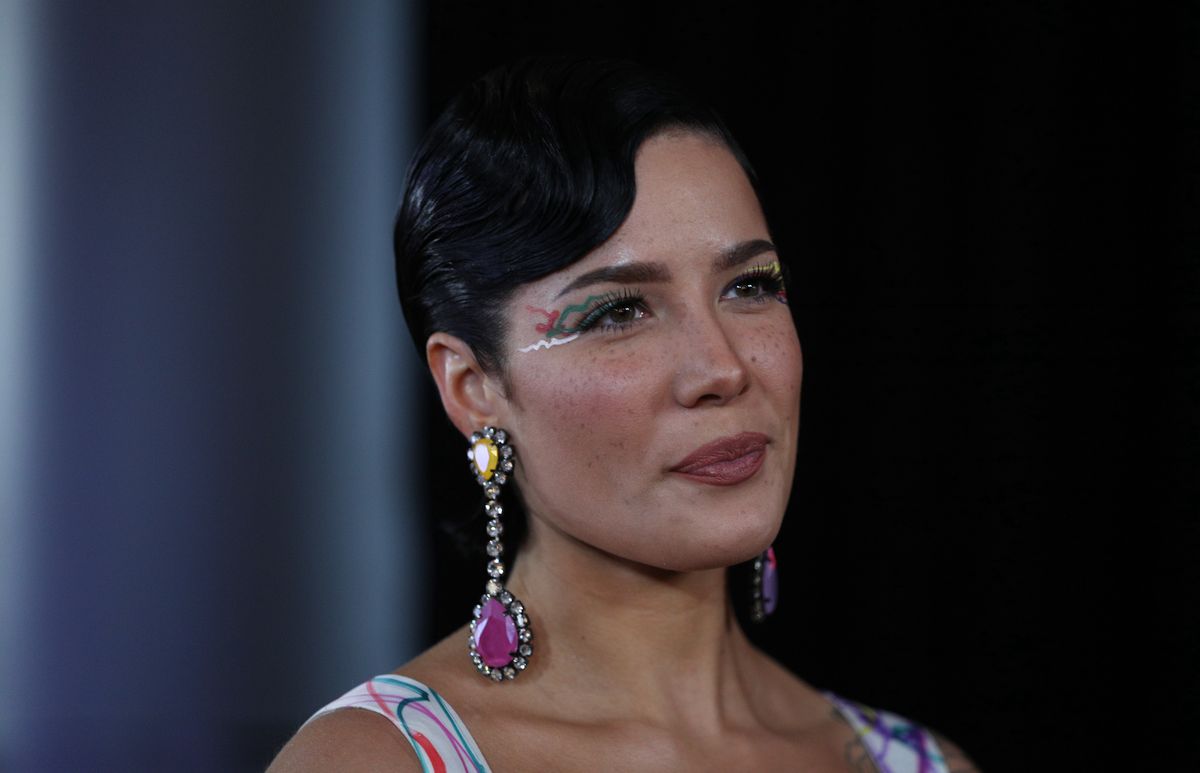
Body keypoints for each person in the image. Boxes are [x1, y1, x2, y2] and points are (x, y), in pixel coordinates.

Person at [268, 57, 978, 773]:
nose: (723, 368)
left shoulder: (913, 761)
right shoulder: (373, 760)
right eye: (620, 311)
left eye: (749, 286)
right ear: (473, 385)